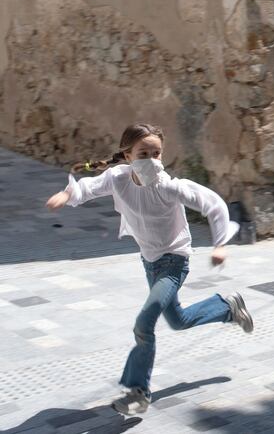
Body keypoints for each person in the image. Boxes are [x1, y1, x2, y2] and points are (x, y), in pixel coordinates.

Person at [45, 123, 254, 415]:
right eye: (144, 153)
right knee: (178, 320)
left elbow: (214, 205)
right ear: (128, 155)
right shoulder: (118, 178)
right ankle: (228, 307)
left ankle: (138, 392)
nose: (152, 160)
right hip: (150, 262)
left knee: (144, 323)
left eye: (157, 153)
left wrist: (219, 243)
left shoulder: (168, 186)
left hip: (174, 261)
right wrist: (67, 196)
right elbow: (88, 187)